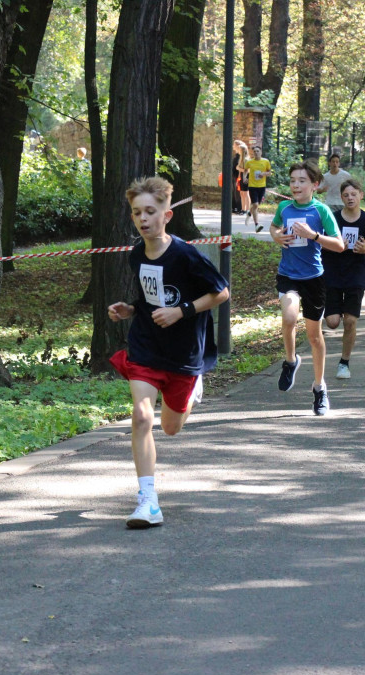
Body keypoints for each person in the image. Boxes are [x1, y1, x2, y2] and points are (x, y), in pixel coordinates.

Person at [107, 177, 230, 528]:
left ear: (167, 215)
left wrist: (183, 311)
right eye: (136, 213)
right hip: (146, 346)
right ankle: (148, 501)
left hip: (184, 352)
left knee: (171, 428)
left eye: (150, 211)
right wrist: (131, 310)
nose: (143, 219)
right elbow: (151, 297)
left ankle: (194, 388)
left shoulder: (186, 255)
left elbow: (221, 293)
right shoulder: (136, 254)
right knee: (142, 417)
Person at [269, 160, 346, 415]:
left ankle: (319, 387)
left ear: (314, 185)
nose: (296, 185)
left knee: (314, 337)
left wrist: (313, 235)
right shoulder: (284, 207)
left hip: (313, 278)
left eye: (302, 181)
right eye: (292, 181)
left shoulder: (321, 211)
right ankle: (291, 361)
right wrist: (276, 235)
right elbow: (274, 226)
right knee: (289, 317)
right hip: (288, 275)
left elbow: (339, 245)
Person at [323, 179, 365, 380]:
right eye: (346, 195)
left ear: (361, 195)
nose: (350, 198)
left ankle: (344, 363)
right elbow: (319, 243)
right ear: (341, 198)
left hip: (355, 277)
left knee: (349, 321)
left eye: (353, 194)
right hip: (331, 274)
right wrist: (336, 245)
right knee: (332, 323)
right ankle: (332, 311)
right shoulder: (332, 219)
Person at [245, 145, 272, 232]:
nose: (256, 153)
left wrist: (263, 174)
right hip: (252, 186)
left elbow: (269, 173)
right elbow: (245, 170)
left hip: (262, 186)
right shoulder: (250, 162)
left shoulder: (266, 161)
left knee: (256, 205)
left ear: (261, 152)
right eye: (255, 151)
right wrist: (245, 177)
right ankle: (257, 225)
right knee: (255, 205)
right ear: (253, 153)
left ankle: (249, 213)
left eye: (258, 151)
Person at [236, 141, 251, 221]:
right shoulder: (241, 159)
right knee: (242, 193)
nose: (238, 151)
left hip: (246, 177)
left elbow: (248, 170)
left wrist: (239, 169)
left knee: (246, 193)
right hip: (241, 177)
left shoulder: (246, 160)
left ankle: (247, 210)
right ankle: (243, 208)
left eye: (239, 149)